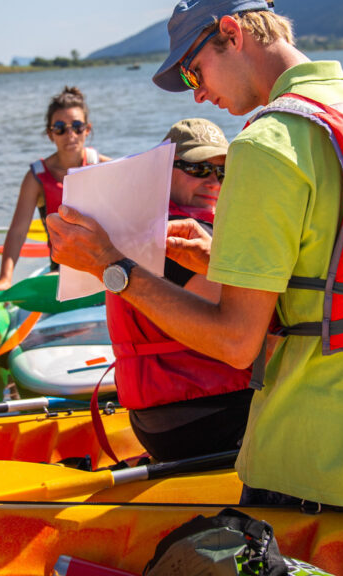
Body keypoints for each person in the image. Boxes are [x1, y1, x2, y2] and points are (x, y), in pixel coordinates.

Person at [47, 0, 343, 510]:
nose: (197, 91)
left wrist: (109, 264)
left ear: (232, 33)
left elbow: (235, 342)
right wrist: (219, 256)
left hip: (320, 456)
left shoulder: (267, 144)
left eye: (194, 68)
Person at [108, 117, 254, 461]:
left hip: (162, 418)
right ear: (163, 171)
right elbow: (240, 317)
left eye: (222, 171)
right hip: (204, 414)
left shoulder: (147, 224)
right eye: (198, 168)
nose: (214, 181)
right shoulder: (177, 235)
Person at [0, 86, 110, 291]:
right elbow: (18, 232)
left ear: (87, 130)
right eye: (60, 128)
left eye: (77, 126)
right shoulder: (35, 178)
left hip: (102, 263)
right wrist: (5, 279)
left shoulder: (102, 165)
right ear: (50, 134)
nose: (70, 134)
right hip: (62, 270)